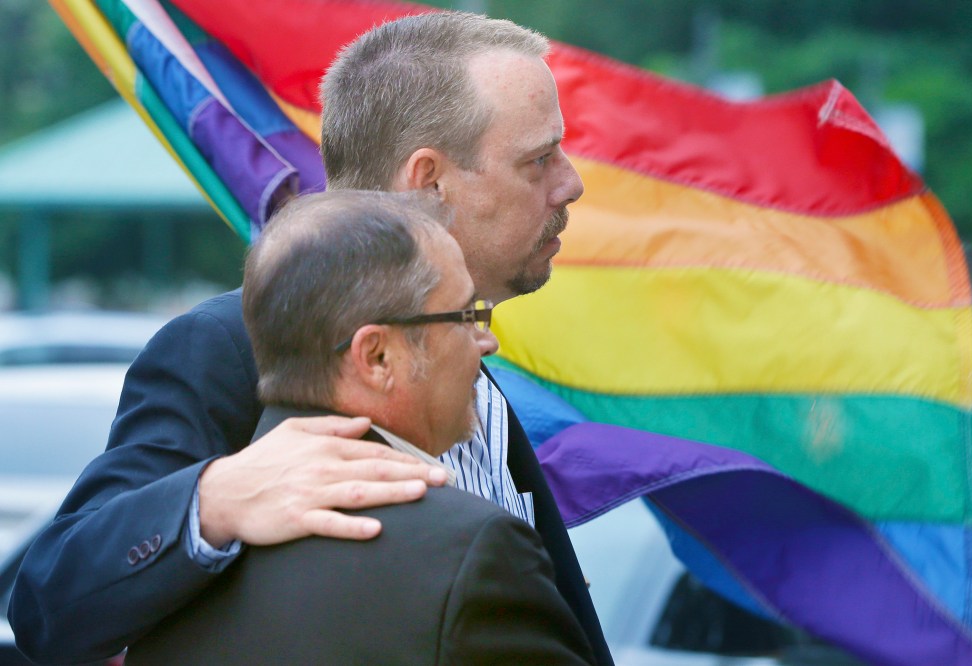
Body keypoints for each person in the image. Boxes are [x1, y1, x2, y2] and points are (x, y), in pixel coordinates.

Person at [9, 11, 613, 666]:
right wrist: (215, 499)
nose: (570, 182)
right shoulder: (229, 345)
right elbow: (49, 603)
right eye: (538, 159)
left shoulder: (453, 342)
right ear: (429, 179)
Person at [126, 189, 598, 665]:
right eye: (466, 316)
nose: (486, 340)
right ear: (376, 357)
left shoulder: (170, 568)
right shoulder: (474, 553)